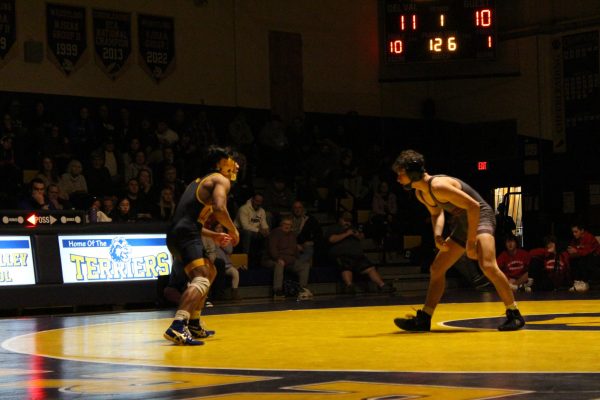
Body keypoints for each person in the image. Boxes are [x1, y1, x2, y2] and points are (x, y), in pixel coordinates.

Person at [391, 149, 525, 332]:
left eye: (401, 174)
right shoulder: (421, 193)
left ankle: (514, 314)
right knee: (437, 268)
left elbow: (474, 207)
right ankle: (425, 318)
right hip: (464, 222)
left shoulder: (439, 186)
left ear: (413, 174)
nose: (398, 179)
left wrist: (470, 244)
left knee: (487, 265)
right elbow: (436, 213)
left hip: (481, 217)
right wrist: (437, 235)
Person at [163, 146, 239, 346]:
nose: (237, 165)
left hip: (178, 234)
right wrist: (233, 230)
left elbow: (191, 221)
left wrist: (214, 235)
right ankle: (178, 325)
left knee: (211, 271)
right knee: (202, 277)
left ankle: (194, 323)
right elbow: (220, 208)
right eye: (232, 160)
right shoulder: (219, 179)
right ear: (219, 164)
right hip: (185, 234)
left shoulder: (199, 182)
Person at [324, 212, 395, 295]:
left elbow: (361, 237)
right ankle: (349, 286)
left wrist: (357, 235)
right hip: (343, 255)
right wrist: (347, 233)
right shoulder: (334, 228)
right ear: (340, 219)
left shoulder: (353, 228)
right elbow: (332, 239)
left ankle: (382, 285)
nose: (348, 222)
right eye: (345, 220)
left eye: (349, 221)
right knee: (346, 266)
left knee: (370, 268)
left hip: (358, 255)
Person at [262, 215, 313, 300]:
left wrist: (298, 259)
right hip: (272, 259)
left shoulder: (292, 235)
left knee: (304, 265)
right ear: (281, 224)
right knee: (279, 264)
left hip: (289, 261)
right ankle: (277, 291)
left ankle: (302, 289)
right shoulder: (275, 233)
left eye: (289, 224)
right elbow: (272, 249)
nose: (287, 226)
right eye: (285, 224)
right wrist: (278, 258)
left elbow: (295, 250)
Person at [234, 192, 270, 266]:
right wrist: (259, 230)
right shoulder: (243, 209)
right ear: (252, 200)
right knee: (248, 233)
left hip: (255, 230)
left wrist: (266, 230)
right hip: (239, 230)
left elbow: (264, 224)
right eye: (257, 201)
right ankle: (245, 259)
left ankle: (263, 260)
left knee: (268, 235)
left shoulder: (262, 211)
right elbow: (245, 226)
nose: (258, 203)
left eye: (260, 202)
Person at [566, 223, 600, 292]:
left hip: (595, 258)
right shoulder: (575, 240)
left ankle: (584, 282)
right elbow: (574, 250)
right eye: (573, 232)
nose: (574, 234)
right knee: (571, 259)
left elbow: (588, 252)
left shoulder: (589, 237)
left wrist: (576, 251)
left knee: (584, 258)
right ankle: (578, 282)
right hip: (584, 258)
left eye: (576, 232)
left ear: (582, 230)